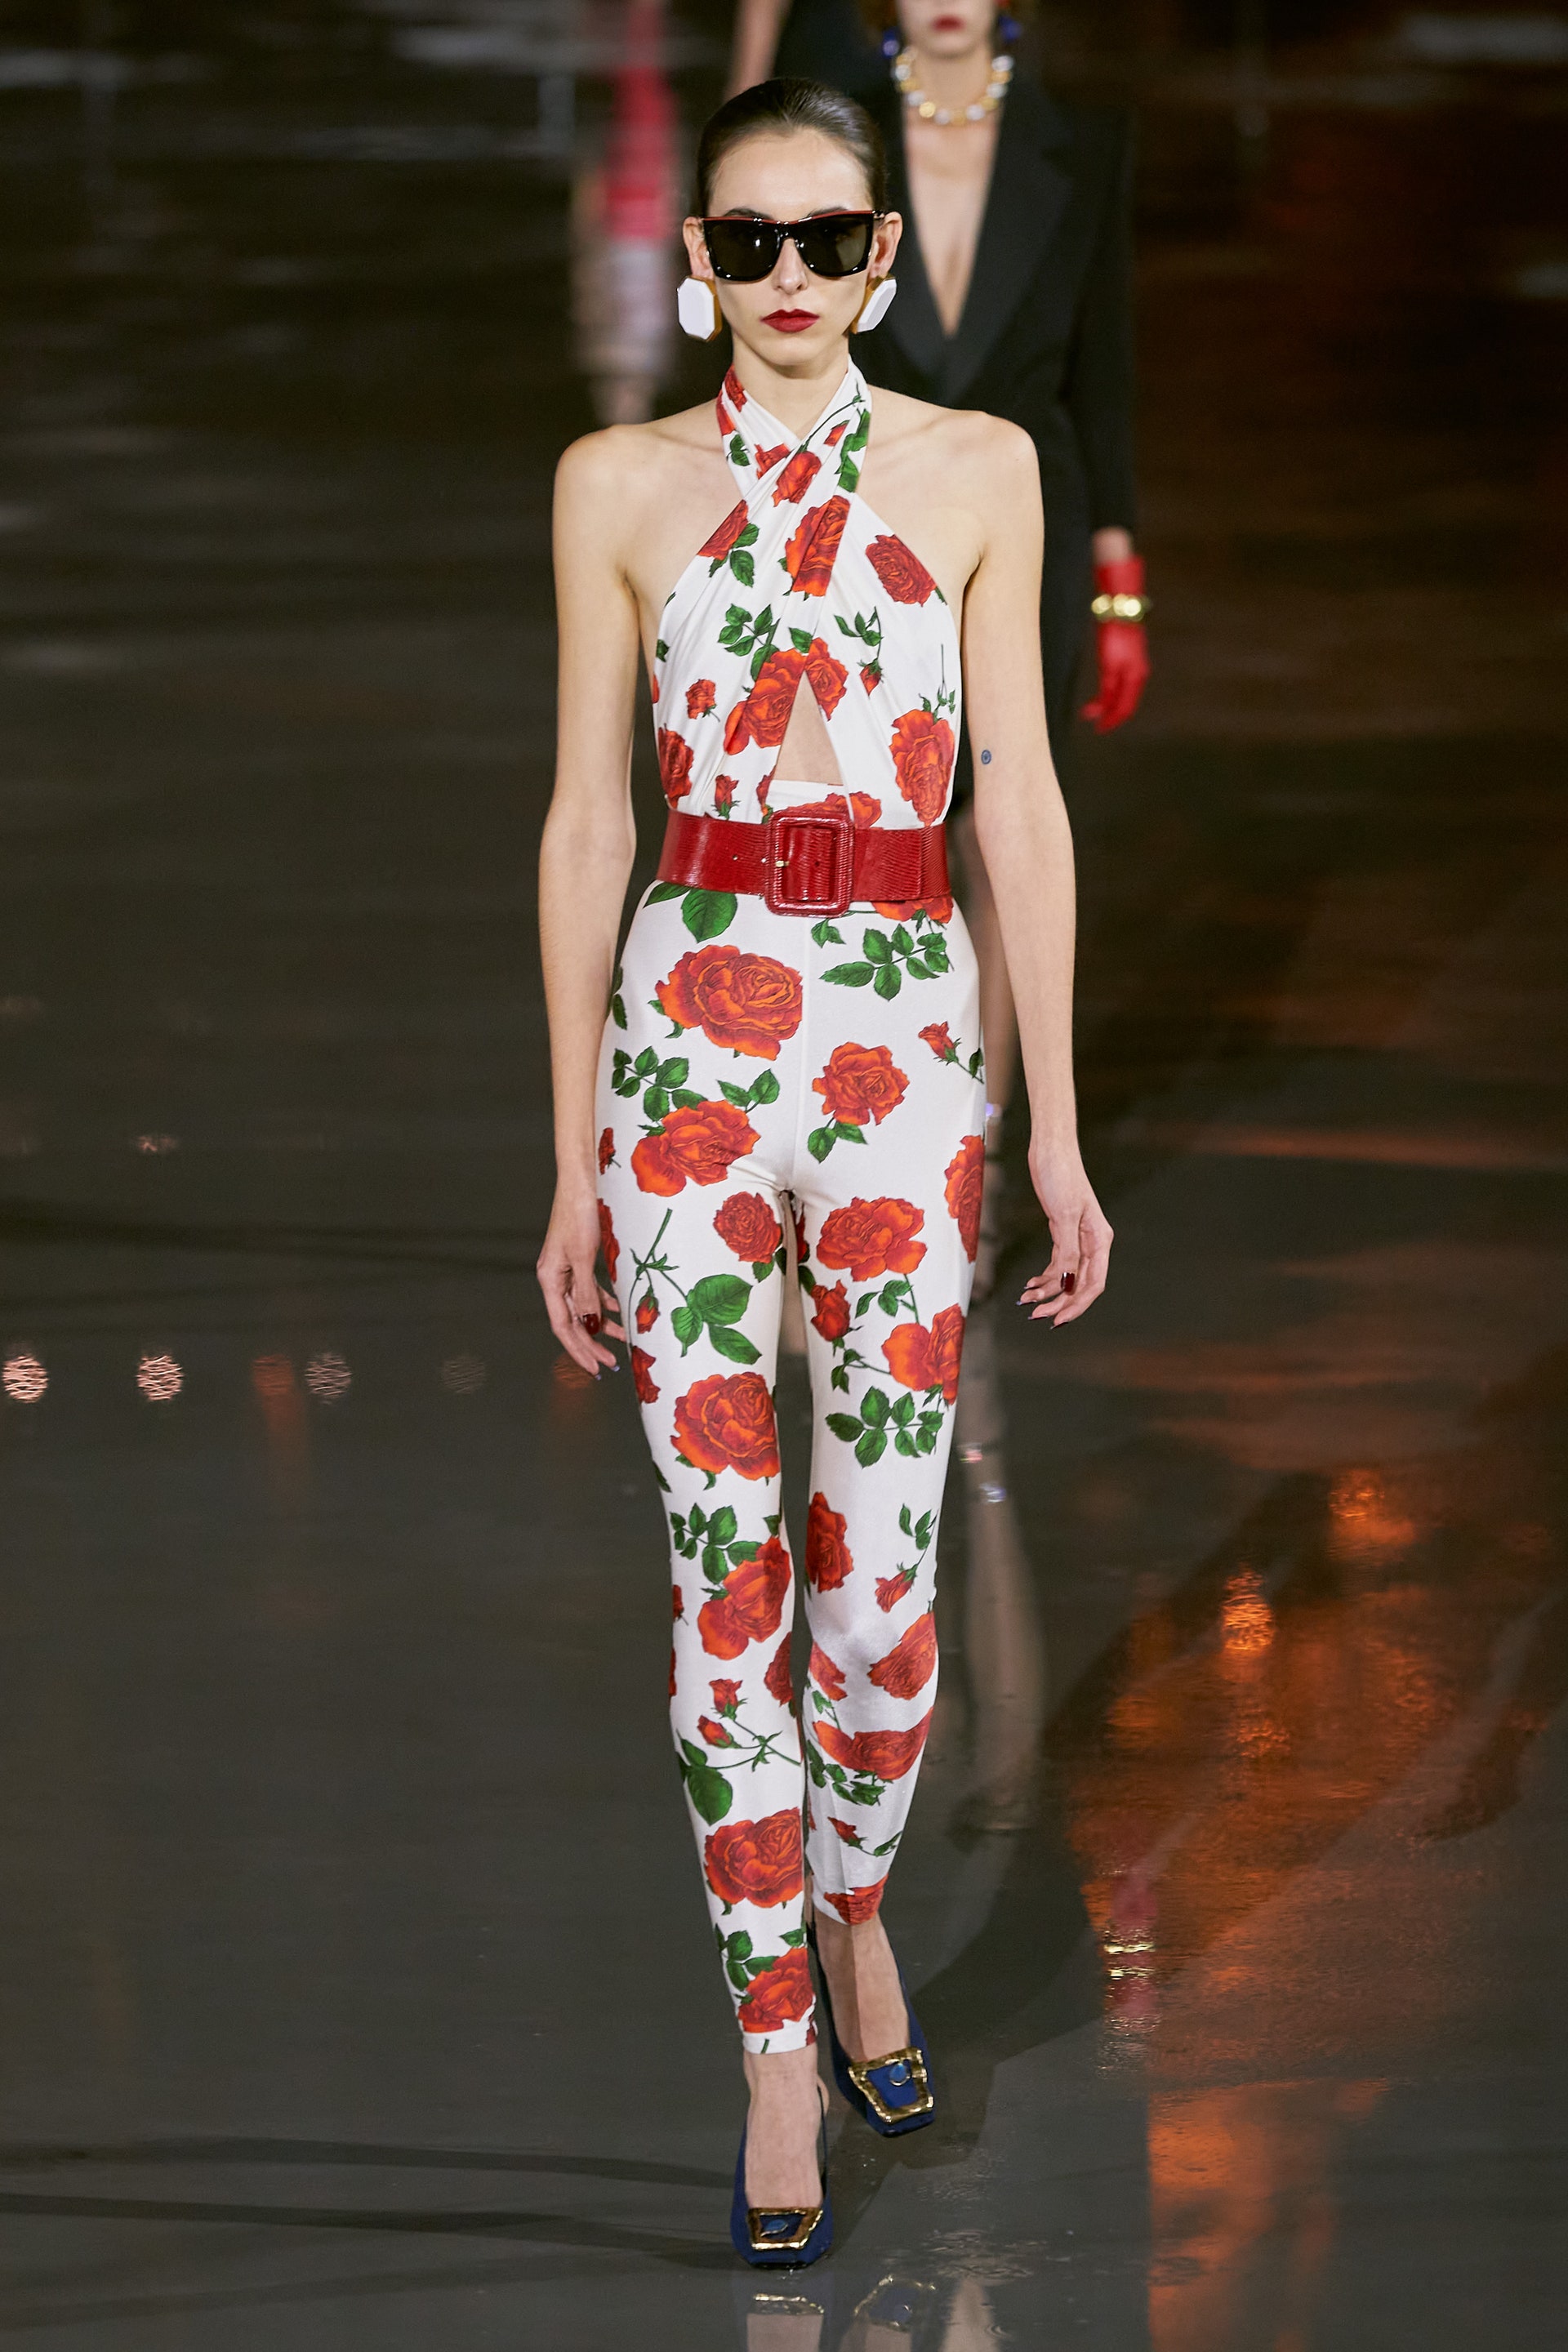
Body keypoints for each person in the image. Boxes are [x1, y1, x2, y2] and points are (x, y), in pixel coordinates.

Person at [537, 77, 1111, 2267]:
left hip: (902, 1049)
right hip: (685, 1042)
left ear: (879, 259)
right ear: (698, 258)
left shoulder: (982, 470)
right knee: (725, 1574)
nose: (790, 276)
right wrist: (570, 1160)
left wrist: (1060, 1122)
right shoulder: (614, 485)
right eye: (750, 240)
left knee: (881, 1594)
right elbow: (588, 818)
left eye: (830, 239)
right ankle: (774, 2044)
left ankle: (854, 1907)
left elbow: (1018, 798)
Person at [728, 0, 1147, 1286]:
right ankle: (836, 1131)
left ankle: (976, 1145)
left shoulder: (1081, 144)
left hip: (1029, 523)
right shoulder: (839, 147)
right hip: (863, 515)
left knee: (997, 832)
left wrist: (1119, 571)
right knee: (864, 822)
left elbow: (1101, 359)